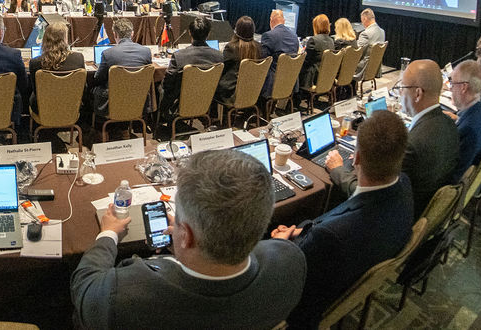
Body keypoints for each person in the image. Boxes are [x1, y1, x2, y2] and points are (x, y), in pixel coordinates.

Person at [71, 149, 305, 330]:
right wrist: (189, 243)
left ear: (187, 235)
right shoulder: (291, 258)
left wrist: (108, 233)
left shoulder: (121, 295)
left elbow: (84, 286)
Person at [273, 110, 414, 329]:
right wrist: (301, 231)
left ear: (356, 158)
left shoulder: (331, 235)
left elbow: (294, 272)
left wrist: (280, 245)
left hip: (305, 304)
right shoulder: (404, 186)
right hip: (353, 266)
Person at [327, 59, 458, 216]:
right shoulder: (449, 124)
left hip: (396, 216)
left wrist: (337, 169)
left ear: (418, 94)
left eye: (402, 88)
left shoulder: (412, 144)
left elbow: (370, 195)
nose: (400, 93)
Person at [158, 17, 223, 128]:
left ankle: (160, 123)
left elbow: (167, 83)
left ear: (189, 33)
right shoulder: (219, 56)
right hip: (207, 101)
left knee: (159, 88)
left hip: (179, 103)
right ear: (208, 34)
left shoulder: (179, 56)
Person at [443, 60, 481, 179]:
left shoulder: (469, 130)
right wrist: (457, 119)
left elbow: (454, 175)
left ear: (463, 87)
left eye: (452, 84)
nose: (450, 89)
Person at [91, 18, 152, 118]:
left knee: (94, 89)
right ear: (132, 33)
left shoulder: (108, 53)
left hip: (113, 101)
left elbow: (98, 78)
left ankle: (95, 125)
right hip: (138, 98)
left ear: (115, 34)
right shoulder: (146, 52)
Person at [28, 22, 85, 114]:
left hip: (43, 109)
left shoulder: (35, 63)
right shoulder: (78, 58)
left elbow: (36, 90)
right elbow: (83, 87)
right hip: (71, 107)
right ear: (65, 39)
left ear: (45, 39)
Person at [215, 16, 261, 102]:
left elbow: (221, 68)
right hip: (253, 91)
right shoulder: (259, 47)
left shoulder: (231, 47)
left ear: (237, 30)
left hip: (231, 93)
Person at [260, 9, 299, 97]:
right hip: (291, 81)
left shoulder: (268, 35)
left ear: (271, 20)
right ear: (283, 20)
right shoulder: (294, 36)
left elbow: (263, 60)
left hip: (272, 83)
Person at [299, 14, 335, 89]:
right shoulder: (331, 40)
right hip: (326, 77)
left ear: (316, 26)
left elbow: (305, 61)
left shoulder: (313, 40)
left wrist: (301, 54)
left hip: (313, 78)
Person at [354, 8, 385, 78]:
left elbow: (357, 52)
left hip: (363, 68)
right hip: (375, 68)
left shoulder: (365, 34)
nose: (362, 23)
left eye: (362, 21)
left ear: (365, 19)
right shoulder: (382, 31)